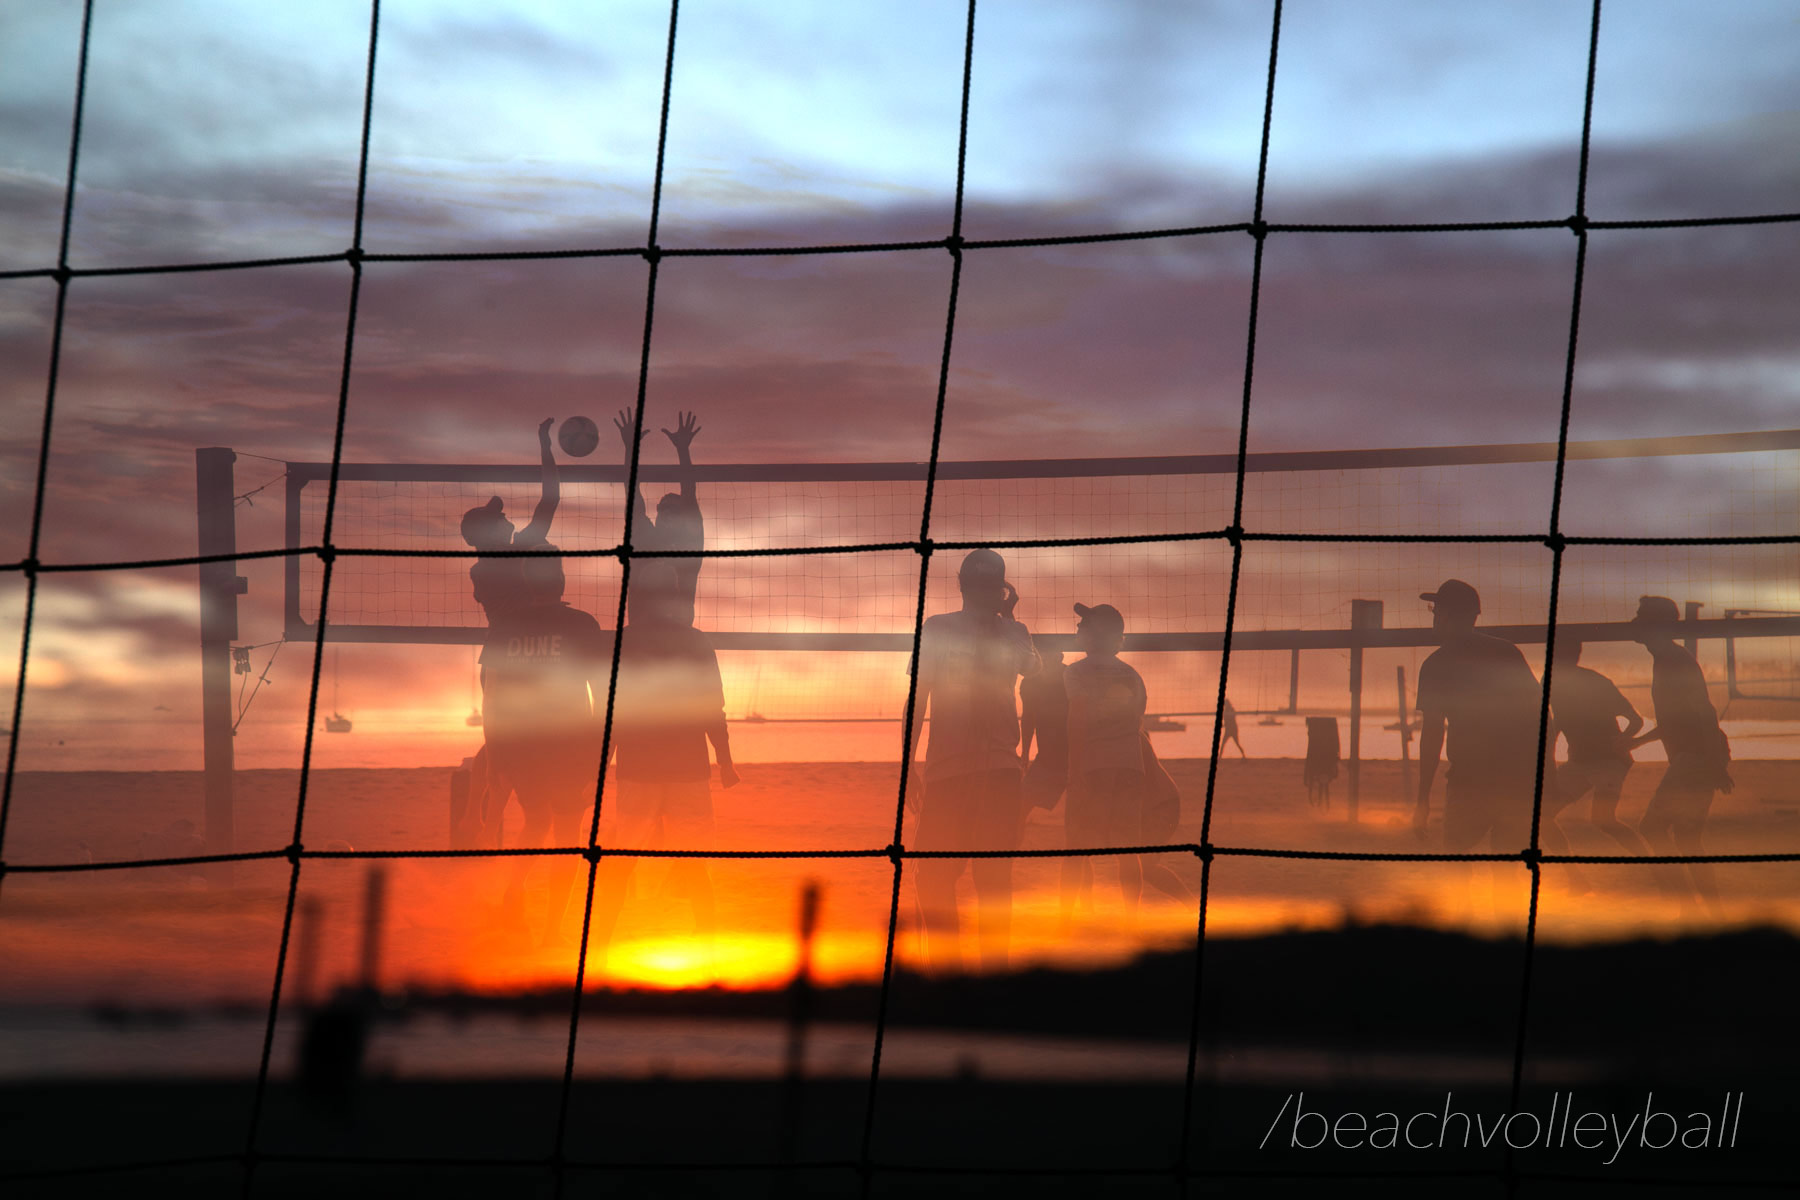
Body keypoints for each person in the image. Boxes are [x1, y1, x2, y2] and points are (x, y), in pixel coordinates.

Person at [589, 561, 741, 967]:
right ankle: (707, 940)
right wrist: (725, 761)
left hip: (638, 768)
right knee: (692, 861)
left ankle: (601, 942)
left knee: (623, 859)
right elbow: (714, 707)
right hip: (688, 768)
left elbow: (611, 713)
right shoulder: (695, 642)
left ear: (639, 597)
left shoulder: (621, 643)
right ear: (673, 597)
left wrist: (602, 766)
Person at [907, 548, 1038, 973]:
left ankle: (954, 975)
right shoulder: (1011, 631)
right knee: (984, 880)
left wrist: (907, 766)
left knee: (942, 880)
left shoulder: (940, 628)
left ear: (959, 583)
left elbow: (917, 701)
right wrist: (1009, 618)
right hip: (989, 773)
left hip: (963, 772)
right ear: (999, 590)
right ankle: (979, 976)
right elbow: (1033, 671)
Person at [481, 547, 608, 947]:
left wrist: (498, 755)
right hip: (571, 749)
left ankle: (513, 893)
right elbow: (604, 696)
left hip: (523, 747)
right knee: (568, 834)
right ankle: (554, 927)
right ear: (563, 584)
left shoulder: (505, 626)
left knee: (535, 822)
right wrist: (599, 760)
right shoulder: (583, 624)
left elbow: (491, 699)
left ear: (526, 585)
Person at [1412, 579, 1548, 915]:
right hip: (1517, 778)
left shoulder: (1436, 665)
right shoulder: (1505, 652)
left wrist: (1422, 799)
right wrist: (1546, 773)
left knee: (1457, 857)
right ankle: (1505, 930)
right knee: (1504, 866)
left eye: (1435, 610)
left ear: (1445, 615)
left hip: (1471, 779)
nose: (1433, 617)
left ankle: (1467, 924)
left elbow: (1432, 736)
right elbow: (1539, 713)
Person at [1063, 602, 1191, 922]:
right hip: (1130, 764)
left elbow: (1077, 720)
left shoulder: (1076, 671)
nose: (1078, 629)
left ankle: (1065, 917)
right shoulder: (1133, 674)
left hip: (1094, 764)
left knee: (1077, 846)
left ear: (1095, 634)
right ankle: (1130, 920)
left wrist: (1074, 769)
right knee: (1127, 847)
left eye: (1084, 624)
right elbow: (1137, 723)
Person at [1629, 595, 1732, 914]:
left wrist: (1714, 762)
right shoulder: (1665, 658)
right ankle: (1710, 912)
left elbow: (1703, 711)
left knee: (1652, 828)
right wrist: (1636, 743)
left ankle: (1684, 904)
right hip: (1696, 754)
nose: (1633, 622)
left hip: (1696, 755)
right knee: (1688, 837)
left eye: (1640, 616)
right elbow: (1677, 720)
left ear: (1655, 625)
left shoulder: (1674, 659)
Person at [1547, 638, 1651, 858]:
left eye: (1558, 655)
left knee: (1603, 819)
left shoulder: (1597, 682)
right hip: (1578, 762)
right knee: (1542, 818)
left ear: (1573, 656)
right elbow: (1555, 725)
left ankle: (1649, 861)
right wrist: (1548, 760)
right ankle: (1576, 880)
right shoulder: (1550, 683)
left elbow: (1635, 720)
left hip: (1609, 762)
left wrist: (1624, 739)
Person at [462, 418, 561, 622]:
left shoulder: (480, 569)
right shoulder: (518, 553)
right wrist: (545, 448)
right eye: (496, 516)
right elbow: (550, 500)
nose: (503, 515)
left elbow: (550, 501)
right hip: (524, 642)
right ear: (487, 532)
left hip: (510, 642)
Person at [614, 408, 705, 627]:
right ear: (657, 511)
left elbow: (690, 493)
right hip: (640, 635)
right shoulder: (643, 536)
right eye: (664, 508)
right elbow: (632, 489)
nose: (668, 514)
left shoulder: (689, 546)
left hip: (677, 637)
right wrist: (630, 447)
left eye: (675, 510)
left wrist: (683, 449)